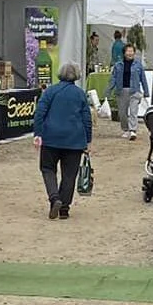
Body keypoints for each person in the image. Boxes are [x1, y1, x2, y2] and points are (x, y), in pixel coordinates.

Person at [32, 61, 92, 220]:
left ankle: (54, 198)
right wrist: (88, 140)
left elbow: (39, 113)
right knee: (69, 175)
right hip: (75, 139)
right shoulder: (80, 94)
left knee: (47, 169)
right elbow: (87, 118)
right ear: (77, 75)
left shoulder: (50, 91)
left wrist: (38, 133)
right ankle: (64, 208)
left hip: (51, 138)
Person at [109, 43, 146, 140]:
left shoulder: (138, 65)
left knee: (133, 111)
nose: (130, 53)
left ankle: (133, 130)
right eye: (128, 51)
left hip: (135, 90)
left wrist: (146, 91)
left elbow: (143, 78)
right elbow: (113, 78)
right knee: (122, 113)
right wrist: (109, 90)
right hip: (121, 90)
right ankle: (125, 129)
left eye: (132, 51)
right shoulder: (118, 65)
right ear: (124, 53)